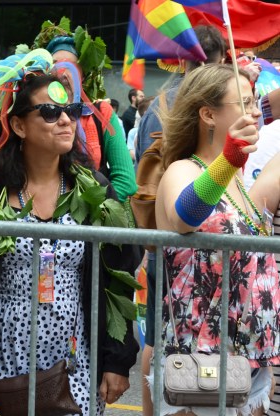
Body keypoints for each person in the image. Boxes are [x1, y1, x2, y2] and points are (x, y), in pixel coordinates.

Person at [0, 52, 140, 415]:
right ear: (18, 126)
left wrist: (117, 360)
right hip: (0, 356)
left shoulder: (94, 190)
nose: (65, 120)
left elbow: (118, 276)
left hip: (74, 359)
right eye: (49, 112)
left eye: (72, 111)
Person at [154, 63, 279, 415]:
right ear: (208, 114)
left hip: (249, 365)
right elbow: (185, 214)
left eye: (256, 101)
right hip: (198, 367)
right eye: (244, 102)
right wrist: (228, 159)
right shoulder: (182, 170)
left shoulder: (238, 183)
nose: (255, 110)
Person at [134, 24, 227, 416]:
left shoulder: (159, 101)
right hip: (185, 247)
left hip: (163, 244)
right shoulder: (182, 108)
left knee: (160, 340)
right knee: (175, 346)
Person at [43, 33, 137, 202]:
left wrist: (92, 214)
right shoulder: (37, 116)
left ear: (83, 75)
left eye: (71, 65)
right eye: (55, 65)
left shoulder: (101, 113)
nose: (63, 71)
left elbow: (126, 180)